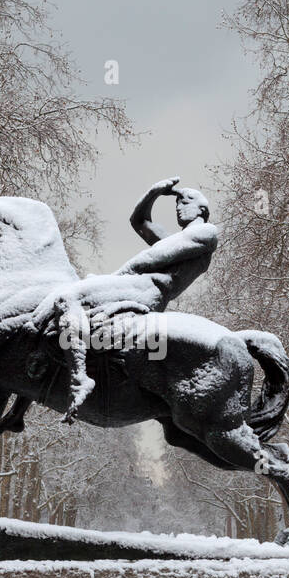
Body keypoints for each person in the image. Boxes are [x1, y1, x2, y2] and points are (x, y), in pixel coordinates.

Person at [31, 176, 218, 421]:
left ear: (202, 209)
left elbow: (150, 259)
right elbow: (138, 221)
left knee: (69, 297)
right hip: (135, 286)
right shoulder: (177, 238)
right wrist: (154, 192)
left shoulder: (205, 233)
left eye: (186, 202)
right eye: (177, 203)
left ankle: (79, 378)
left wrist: (113, 278)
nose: (179, 207)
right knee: (76, 298)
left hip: (146, 291)